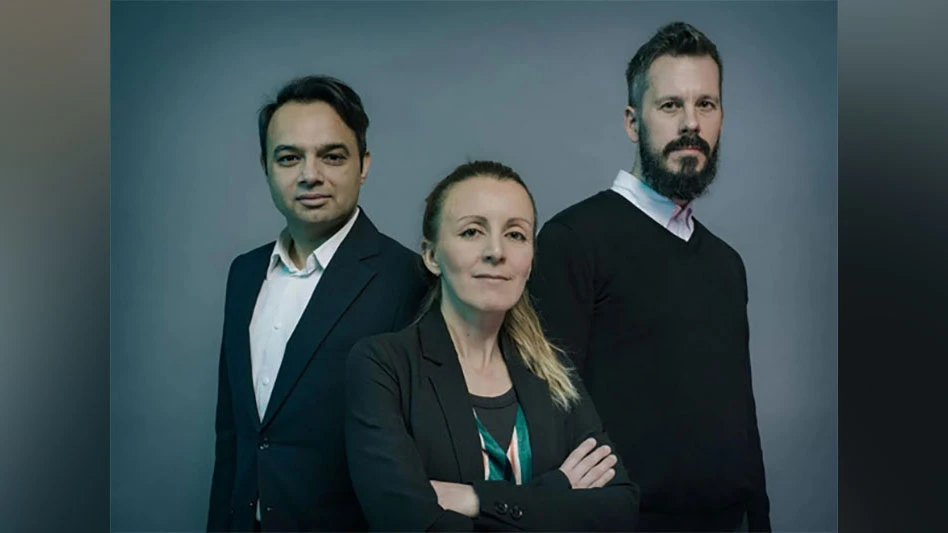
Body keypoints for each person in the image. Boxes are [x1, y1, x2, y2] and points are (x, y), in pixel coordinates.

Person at [529, 22, 771, 532]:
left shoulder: (726, 264)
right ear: (632, 122)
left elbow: (742, 422)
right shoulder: (574, 239)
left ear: (722, 116)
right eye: (670, 106)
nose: (691, 123)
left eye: (706, 104)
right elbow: (548, 414)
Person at [345, 160, 640, 531]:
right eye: (472, 232)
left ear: (530, 261)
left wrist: (475, 499)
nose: (496, 251)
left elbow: (619, 510)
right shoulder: (383, 366)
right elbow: (405, 522)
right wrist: (557, 491)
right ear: (432, 255)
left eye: (516, 235)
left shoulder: (553, 371)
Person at [206, 75, 428, 532]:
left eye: (332, 156)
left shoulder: (409, 278)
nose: (310, 174)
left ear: (364, 164)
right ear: (266, 166)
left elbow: (425, 448)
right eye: (289, 158)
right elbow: (234, 436)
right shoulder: (244, 275)